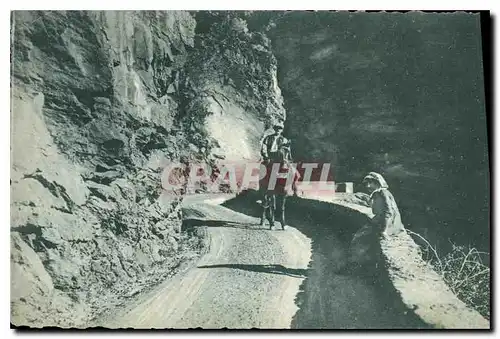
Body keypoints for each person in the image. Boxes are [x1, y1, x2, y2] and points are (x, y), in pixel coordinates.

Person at [346, 172, 405, 273]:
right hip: (381, 221)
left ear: (378, 183)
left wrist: (385, 231)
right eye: (366, 184)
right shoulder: (377, 194)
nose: (368, 186)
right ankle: (356, 265)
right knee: (360, 237)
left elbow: (389, 212)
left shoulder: (383, 193)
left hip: (389, 224)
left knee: (359, 238)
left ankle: (353, 266)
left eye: (371, 183)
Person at [259, 143, 301, 230]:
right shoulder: (269, 139)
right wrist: (268, 155)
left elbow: (288, 156)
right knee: (265, 169)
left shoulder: (284, 141)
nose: (278, 130)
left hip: (282, 161)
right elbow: (265, 149)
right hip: (272, 158)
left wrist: (287, 158)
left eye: (280, 129)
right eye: (277, 128)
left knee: (295, 173)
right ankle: (272, 223)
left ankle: (295, 188)